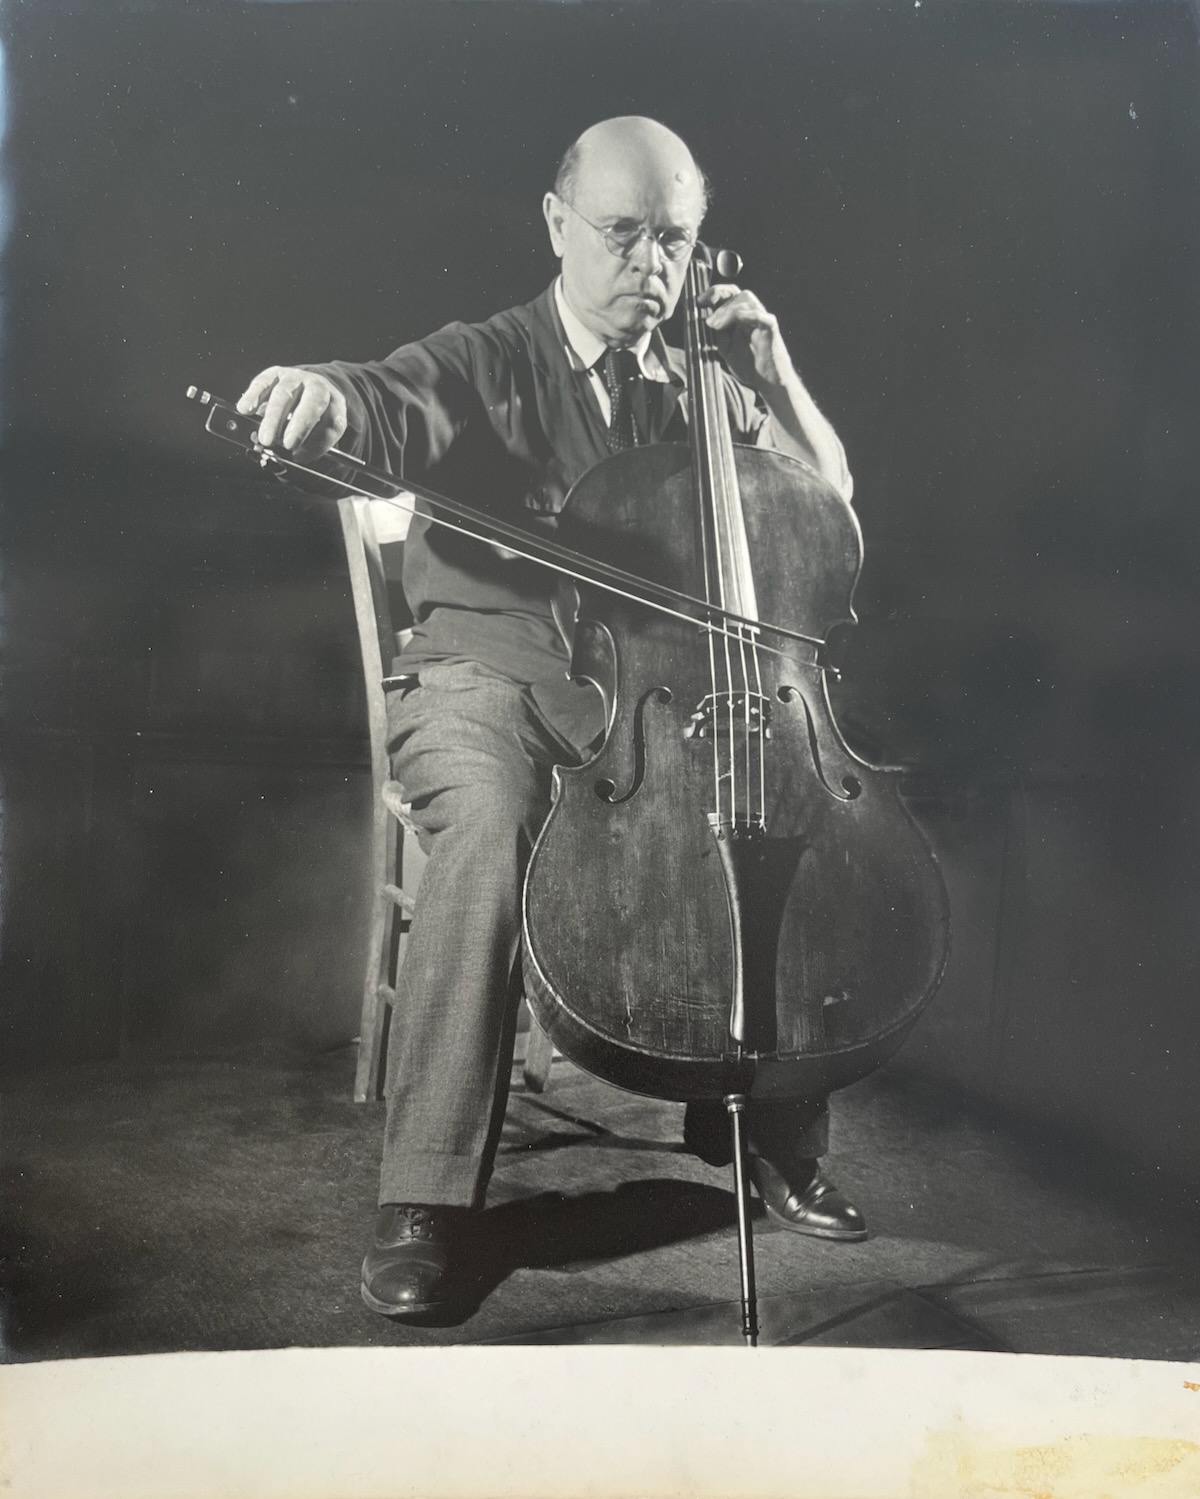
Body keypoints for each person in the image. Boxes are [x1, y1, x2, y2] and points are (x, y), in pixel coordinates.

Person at [238, 116, 866, 1323]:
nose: (650, 266)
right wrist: (325, 395)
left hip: (632, 705)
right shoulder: (491, 358)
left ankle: (768, 1126)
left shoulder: (701, 390)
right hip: (482, 677)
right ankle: (424, 1197)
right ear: (556, 224)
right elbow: (387, 400)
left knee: (774, 806)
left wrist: (775, 374)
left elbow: (826, 517)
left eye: (674, 241)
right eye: (623, 234)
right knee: (485, 827)